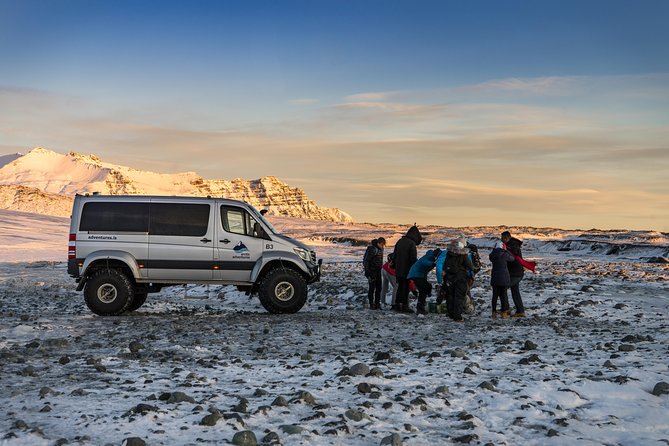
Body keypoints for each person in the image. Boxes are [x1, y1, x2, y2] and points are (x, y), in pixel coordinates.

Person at [393, 225, 422, 313]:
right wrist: (417, 268)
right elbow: (413, 258)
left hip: (398, 269)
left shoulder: (400, 241)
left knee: (400, 287)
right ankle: (405, 306)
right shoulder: (411, 243)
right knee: (405, 288)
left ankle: (397, 305)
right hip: (406, 270)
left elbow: (395, 255)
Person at [443, 239, 474, 321]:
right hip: (460, 278)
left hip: (449, 278)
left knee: (450, 296)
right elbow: (470, 266)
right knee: (459, 297)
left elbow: (445, 266)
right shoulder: (463, 255)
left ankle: (451, 314)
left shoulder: (448, 254)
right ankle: (457, 317)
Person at [407, 248, 442, 315]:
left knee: (422, 292)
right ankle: (425, 300)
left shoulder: (431, 258)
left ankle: (420, 309)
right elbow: (425, 262)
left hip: (418, 275)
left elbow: (425, 271)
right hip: (416, 275)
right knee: (427, 286)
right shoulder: (429, 257)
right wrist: (433, 263)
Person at [501, 230, 526, 317]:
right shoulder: (511, 245)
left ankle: (505, 309)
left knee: (503, 289)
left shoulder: (513, 246)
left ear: (507, 238)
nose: (501, 240)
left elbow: (512, 258)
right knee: (515, 291)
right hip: (515, 273)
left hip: (516, 273)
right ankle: (520, 311)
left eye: (503, 238)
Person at [489, 240, 516, 318]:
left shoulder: (492, 255)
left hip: (495, 277)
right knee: (504, 296)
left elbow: (491, 257)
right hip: (504, 278)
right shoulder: (504, 254)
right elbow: (512, 258)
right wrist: (506, 250)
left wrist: (494, 250)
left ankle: (493, 312)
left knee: (495, 296)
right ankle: (504, 312)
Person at [363, 237, 386, 309]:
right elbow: (366, 261)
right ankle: (371, 304)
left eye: (383, 245)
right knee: (372, 288)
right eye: (382, 244)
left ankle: (377, 303)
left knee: (379, 288)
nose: (382, 246)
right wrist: (367, 272)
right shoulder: (373, 249)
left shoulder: (381, 249)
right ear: (378, 243)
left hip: (378, 271)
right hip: (372, 271)